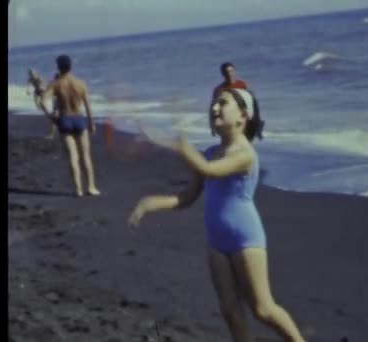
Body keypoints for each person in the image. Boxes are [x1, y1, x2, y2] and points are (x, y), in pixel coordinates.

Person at [129, 88, 304, 341]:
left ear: (242, 116)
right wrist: (151, 203)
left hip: (246, 239)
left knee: (263, 310)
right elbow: (186, 198)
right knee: (230, 311)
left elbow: (208, 170)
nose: (214, 108)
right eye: (213, 104)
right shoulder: (210, 152)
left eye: (223, 103)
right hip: (216, 242)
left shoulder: (244, 154)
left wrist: (181, 141)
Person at [40, 55, 101, 197]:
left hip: (65, 119)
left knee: (73, 156)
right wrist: (91, 123)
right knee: (85, 156)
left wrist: (50, 117)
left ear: (58, 67)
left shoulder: (56, 84)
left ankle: (78, 189)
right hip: (79, 119)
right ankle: (91, 187)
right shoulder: (80, 83)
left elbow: (43, 101)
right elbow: (87, 105)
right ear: (71, 66)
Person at [209, 62, 248, 136]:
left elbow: (249, 103)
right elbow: (213, 109)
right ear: (223, 74)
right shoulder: (219, 89)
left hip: (242, 120)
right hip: (228, 123)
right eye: (227, 72)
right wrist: (212, 126)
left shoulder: (242, 85)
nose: (229, 74)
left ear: (234, 71)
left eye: (231, 71)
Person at [27, 69, 59, 140]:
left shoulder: (40, 79)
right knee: (54, 118)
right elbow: (30, 85)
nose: (33, 75)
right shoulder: (31, 79)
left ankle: (52, 133)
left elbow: (44, 88)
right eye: (31, 74)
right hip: (52, 99)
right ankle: (51, 134)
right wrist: (28, 90)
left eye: (34, 74)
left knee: (55, 117)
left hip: (45, 92)